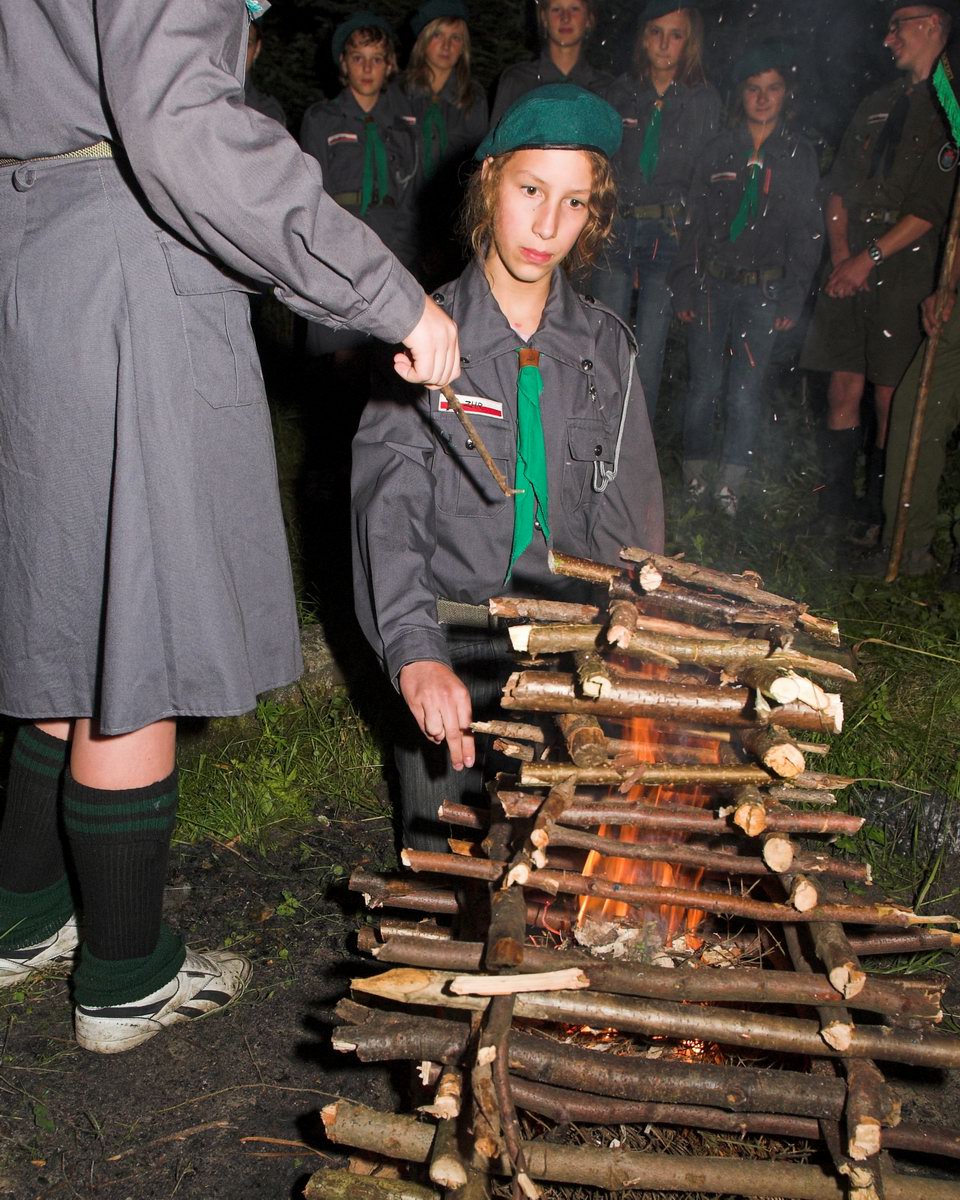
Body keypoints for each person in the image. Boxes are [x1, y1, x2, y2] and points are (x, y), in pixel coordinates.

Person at [0, 0, 458, 1054]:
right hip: (124, 269)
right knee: (139, 636)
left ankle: (22, 912)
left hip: (35, 255)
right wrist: (387, 294)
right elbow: (182, 126)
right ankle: (125, 977)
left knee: (76, 612)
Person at [352, 85, 665, 852]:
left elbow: (632, 526)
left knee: (566, 866)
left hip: (571, 643)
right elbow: (387, 513)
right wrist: (415, 654)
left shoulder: (607, 349)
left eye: (574, 202)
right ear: (491, 181)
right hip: (453, 636)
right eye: (531, 190)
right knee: (443, 859)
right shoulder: (423, 337)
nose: (548, 226)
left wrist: (632, 647)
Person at [800, 2, 958, 539]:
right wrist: (843, 256)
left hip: (908, 261)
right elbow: (838, 188)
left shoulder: (950, 108)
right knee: (843, 383)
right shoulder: (876, 103)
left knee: (890, 391)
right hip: (852, 255)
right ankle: (835, 508)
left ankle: (879, 515)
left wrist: (867, 260)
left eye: (898, 28)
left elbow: (932, 209)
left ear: (931, 25)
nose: (888, 40)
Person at [669, 44, 821, 515]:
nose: (762, 97)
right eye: (753, 88)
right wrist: (686, 283)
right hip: (712, 285)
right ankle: (695, 475)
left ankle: (731, 483)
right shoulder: (718, 150)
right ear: (741, 94)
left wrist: (792, 298)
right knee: (703, 386)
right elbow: (694, 223)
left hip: (764, 290)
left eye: (772, 88)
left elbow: (807, 233)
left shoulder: (797, 155)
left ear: (786, 94)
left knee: (745, 392)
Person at [591, 1, 720, 422]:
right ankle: (599, 428)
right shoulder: (620, 92)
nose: (665, 44)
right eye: (656, 33)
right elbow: (603, 165)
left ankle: (636, 438)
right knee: (607, 335)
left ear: (689, 42)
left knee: (650, 342)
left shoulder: (703, 100)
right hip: (618, 226)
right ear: (643, 38)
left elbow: (705, 178)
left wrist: (693, 247)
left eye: (676, 35)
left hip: (669, 230)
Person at [398, 0, 489, 285]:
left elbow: (477, 169)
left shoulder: (473, 98)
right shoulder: (397, 93)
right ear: (423, 41)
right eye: (438, 35)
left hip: (452, 226)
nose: (447, 45)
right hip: (400, 222)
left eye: (455, 38)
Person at [490, 0, 610, 127]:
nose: (565, 18)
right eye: (556, 9)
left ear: (589, 19)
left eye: (574, 9)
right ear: (544, 18)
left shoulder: (606, 89)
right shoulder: (517, 81)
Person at [244, 20, 286, 127]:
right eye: (232, 41)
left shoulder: (267, 112)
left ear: (257, 49)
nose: (239, 51)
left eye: (247, 44)